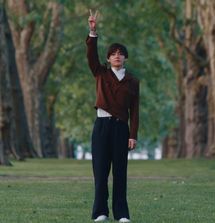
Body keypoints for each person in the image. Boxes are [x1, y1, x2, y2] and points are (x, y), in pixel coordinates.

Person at [86, 9, 139, 223]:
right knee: (100, 172)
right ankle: (100, 212)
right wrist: (92, 32)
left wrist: (133, 135)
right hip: (101, 126)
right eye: (113, 53)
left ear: (125, 57)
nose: (117, 55)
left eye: (120, 52)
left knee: (120, 173)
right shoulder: (100, 73)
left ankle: (122, 214)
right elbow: (90, 56)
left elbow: (135, 110)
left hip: (120, 129)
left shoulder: (133, 81)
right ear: (108, 58)